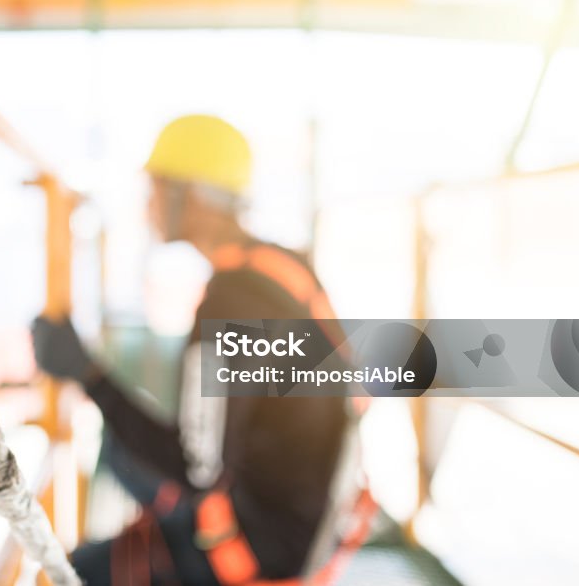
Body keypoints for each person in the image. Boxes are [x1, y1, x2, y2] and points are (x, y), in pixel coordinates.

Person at [32, 115, 348, 585]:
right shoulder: (281, 270)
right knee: (120, 452)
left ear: (192, 197)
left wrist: (87, 374)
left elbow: (193, 469)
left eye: (157, 188)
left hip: (260, 551)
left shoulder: (231, 305)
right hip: (312, 525)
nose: (148, 204)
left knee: (72, 574)